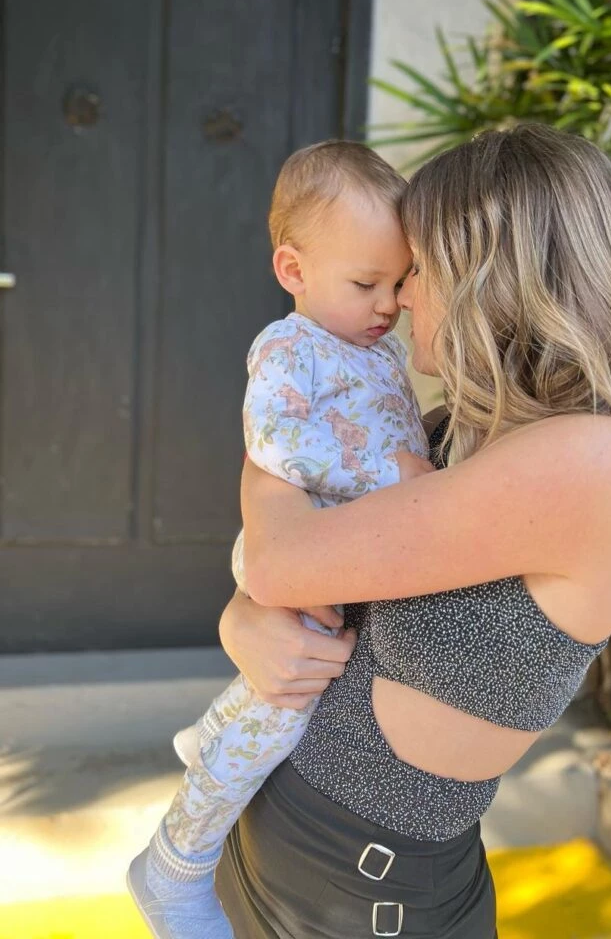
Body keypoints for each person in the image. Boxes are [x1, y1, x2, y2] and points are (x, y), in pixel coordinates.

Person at [215, 123, 611, 939]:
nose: (401, 296)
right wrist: (242, 619)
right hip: (288, 854)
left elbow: (281, 558)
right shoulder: (458, 430)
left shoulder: (590, 460)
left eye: (418, 270)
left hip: (365, 893)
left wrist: (269, 427)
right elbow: (292, 578)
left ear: (494, 276)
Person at [127, 141, 432, 939]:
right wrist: (391, 473)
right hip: (296, 550)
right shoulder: (288, 347)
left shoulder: (382, 352)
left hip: (340, 557)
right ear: (292, 270)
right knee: (285, 709)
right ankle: (179, 861)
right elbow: (274, 443)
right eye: (365, 283)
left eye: (398, 283)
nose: (387, 303)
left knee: (279, 693)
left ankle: (223, 728)